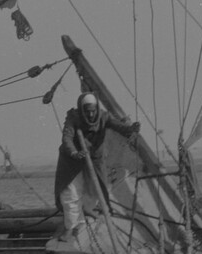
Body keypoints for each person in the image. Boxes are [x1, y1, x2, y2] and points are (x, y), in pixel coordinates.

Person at [53, 91, 140, 234]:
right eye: (87, 112)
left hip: (94, 158)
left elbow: (118, 126)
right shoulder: (74, 118)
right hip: (72, 161)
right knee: (71, 194)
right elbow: (67, 138)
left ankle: (86, 216)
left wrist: (131, 129)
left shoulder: (104, 117)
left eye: (93, 112)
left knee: (96, 191)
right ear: (82, 110)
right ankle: (72, 226)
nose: (91, 115)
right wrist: (74, 152)